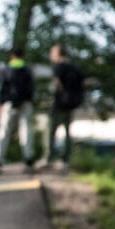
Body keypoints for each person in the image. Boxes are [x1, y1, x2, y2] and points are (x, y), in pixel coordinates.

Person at [0, 47, 35, 175]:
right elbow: (31, 88)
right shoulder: (27, 69)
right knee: (26, 131)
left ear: (11, 56)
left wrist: (0, 103)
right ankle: (28, 161)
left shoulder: (6, 69)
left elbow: (2, 88)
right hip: (25, 104)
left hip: (8, 104)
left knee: (3, 132)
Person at [46, 43, 85, 171]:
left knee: (51, 131)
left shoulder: (58, 67)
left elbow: (56, 84)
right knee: (68, 132)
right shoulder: (75, 67)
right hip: (71, 104)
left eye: (52, 52)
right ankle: (65, 160)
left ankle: (49, 158)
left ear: (58, 54)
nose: (51, 55)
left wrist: (61, 95)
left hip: (59, 104)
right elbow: (83, 84)